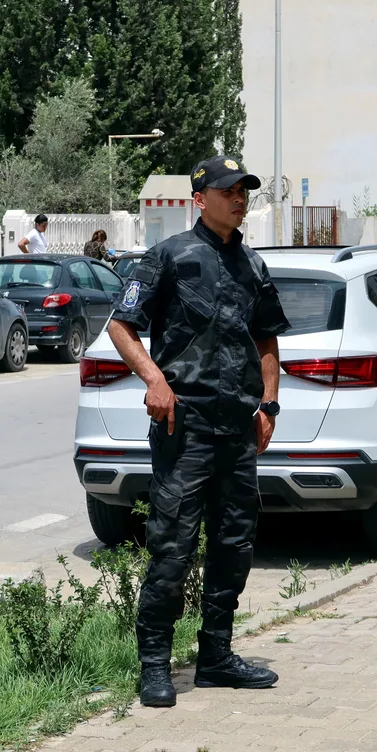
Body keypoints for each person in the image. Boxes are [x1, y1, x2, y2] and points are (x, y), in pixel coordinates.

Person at [107, 155, 291, 708]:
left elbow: (266, 340)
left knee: (235, 544)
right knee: (172, 547)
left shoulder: (253, 266)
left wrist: (270, 405)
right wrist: (155, 380)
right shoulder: (167, 258)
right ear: (200, 198)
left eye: (244, 191)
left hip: (237, 429)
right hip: (183, 427)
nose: (239, 199)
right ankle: (156, 665)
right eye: (229, 190)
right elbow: (121, 325)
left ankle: (215, 657)